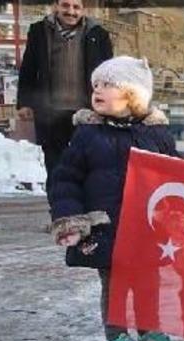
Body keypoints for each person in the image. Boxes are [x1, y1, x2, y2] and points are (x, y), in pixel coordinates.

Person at [48, 56, 181, 341]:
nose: (98, 90)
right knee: (116, 284)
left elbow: (177, 174)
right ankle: (117, 337)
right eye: (96, 84)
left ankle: (149, 331)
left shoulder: (156, 135)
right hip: (108, 227)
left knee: (149, 281)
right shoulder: (87, 135)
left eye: (108, 84)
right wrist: (71, 217)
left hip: (147, 227)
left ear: (132, 94)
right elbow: (65, 179)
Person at [16, 0, 113, 195]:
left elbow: (109, 73)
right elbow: (28, 68)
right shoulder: (39, 31)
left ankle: (85, 215)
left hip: (87, 113)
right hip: (50, 113)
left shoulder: (98, 34)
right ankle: (60, 218)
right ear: (56, 7)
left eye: (76, 7)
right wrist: (24, 102)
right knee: (56, 168)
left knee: (87, 167)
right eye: (65, 6)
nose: (71, 12)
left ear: (83, 10)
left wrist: (110, 105)